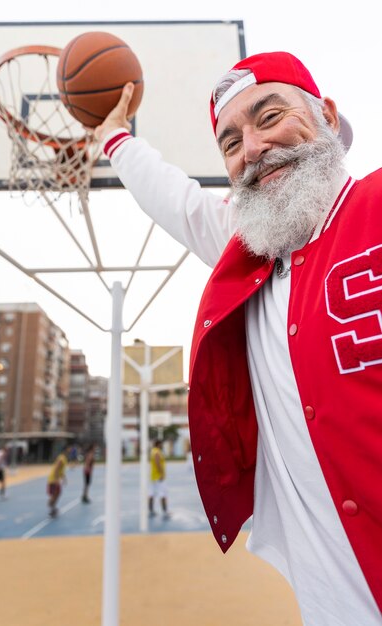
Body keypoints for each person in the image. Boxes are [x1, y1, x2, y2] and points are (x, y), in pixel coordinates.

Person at [93, 51, 382, 625]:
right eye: (230, 143)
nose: (252, 150)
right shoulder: (250, 252)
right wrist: (115, 137)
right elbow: (173, 196)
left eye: (270, 116)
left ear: (325, 114)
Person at [47, 444, 71, 517]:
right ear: (66, 449)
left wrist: (64, 478)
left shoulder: (64, 458)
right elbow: (57, 468)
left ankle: (52, 506)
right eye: (69, 449)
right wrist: (57, 479)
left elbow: (61, 470)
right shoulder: (61, 458)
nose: (70, 450)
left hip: (55, 478)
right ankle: (51, 506)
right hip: (53, 479)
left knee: (57, 493)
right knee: (55, 494)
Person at [148, 439, 170, 520]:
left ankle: (150, 510)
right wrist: (161, 474)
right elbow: (157, 463)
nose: (162, 445)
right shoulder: (157, 452)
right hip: (158, 477)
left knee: (152, 493)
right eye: (161, 444)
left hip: (153, 476)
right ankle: (165, 511)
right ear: (158, 444)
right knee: (163, 494)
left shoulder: (153, 451)